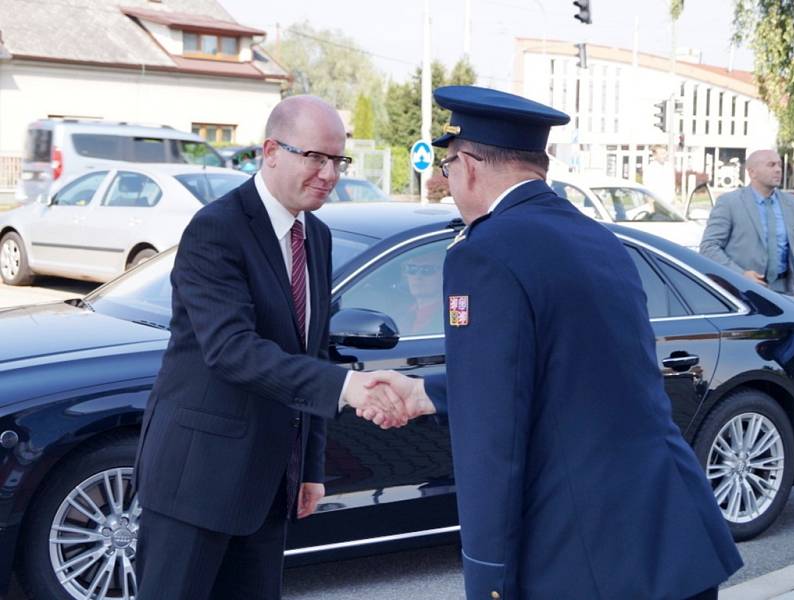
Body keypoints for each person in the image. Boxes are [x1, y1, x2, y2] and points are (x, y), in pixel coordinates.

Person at [364, 85, 743, 600]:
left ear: (470, 165)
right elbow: (567, 370)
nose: (446, 182)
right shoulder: (598, 238)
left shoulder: (484, 252)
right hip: (672, 533)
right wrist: (425, 392)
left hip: (584, 558)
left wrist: (489, 575)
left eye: (447, 168)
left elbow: (491, 434)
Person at [133, 95, 403, 600]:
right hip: (196, 482)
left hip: (269, 485)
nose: (329, 173)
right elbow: (232, 349)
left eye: (337, 160)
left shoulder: (317, 237)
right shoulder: (217, 229)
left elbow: (312, 352)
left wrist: (310, 468)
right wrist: (348, 387)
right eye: (315, 157)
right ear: (271, 151)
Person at [700, 149, 794, 295]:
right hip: (741, 290)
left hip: (787, 291)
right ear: (752, 172)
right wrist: (740, 274)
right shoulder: (729, 203)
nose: (778, 170)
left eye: (779, 165)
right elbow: (709, 247)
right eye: (771, 165)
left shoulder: (793, 204)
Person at [398, 247, 444, 335]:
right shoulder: (401, 311)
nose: (417, 277)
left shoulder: (449, 315)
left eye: (427, 270)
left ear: (443, 274)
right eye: (411, 269)